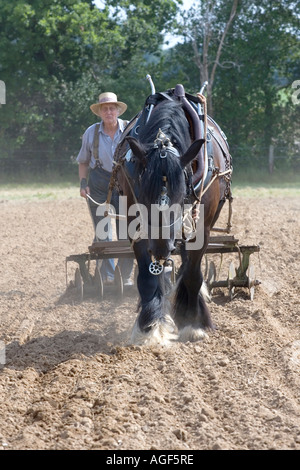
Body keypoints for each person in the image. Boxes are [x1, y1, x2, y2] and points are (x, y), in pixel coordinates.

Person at [76, 92, 134, 285]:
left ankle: (124, 275)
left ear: (118, 110)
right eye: (105, 108)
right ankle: (108, 275)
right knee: (103, 230)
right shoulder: (91, 133)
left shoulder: (130, 130)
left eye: (112, 108)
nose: (108, 111)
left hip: (125, 182)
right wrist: (83, 184)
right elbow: (83, 161)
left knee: (128, 229)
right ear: (99, 112)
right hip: (99, 184)